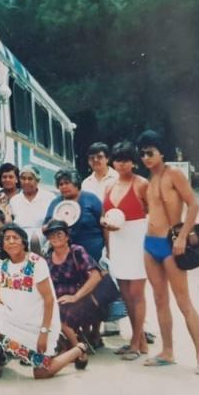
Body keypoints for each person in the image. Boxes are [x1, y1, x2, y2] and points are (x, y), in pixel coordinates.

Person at [137, 130, 199, 374]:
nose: (146, 157)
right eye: (143, 153)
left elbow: (194, 204)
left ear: (162, 152)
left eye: (151, 152)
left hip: (170, 245)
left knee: (183, 302)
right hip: (150, 245)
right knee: (160, 300)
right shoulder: (149, 180)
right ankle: (167, 351)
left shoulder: (174, 174)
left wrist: (181, 236)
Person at [0, 224, 88, 379]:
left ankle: (78, 349)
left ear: (23, 242)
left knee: (41, 373)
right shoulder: (4, 266)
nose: (11, 241)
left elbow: (49, 301)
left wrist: (43, 333)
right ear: (3, 244)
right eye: (7, 238)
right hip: (15, 319)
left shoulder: (36, 263)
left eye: (16, 238)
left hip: (39, 324)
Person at [102, 141, 149, 359]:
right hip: (117, 241)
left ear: (134, 162)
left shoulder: (142, 184)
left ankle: (134, 343)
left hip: (137, 240)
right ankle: (140, 342)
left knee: (137, 294)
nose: (122, 164)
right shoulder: (110, 186)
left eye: (127, 160)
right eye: (118, 160)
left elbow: (152, 213)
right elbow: (105, 215)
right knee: (126, 295)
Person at [43, 220, 101, 365]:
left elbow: (96, 276)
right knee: (43, 312)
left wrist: (75, 297)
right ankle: (63, 347)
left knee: (59, 314)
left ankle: (78, 350)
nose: (55, 237)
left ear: (67, 236)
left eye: (59, 234)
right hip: (57, 299)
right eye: (51, 235)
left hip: (81, 298)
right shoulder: (48, 258)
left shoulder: (76, 251)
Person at [81, 142, 121, 337]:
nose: (96, 160)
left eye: (100, 156)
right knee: (99, 277)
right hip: (94, 235)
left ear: (107, 158)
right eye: (92, 157)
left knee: (119, 276)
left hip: (115, 231)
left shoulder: (117, 178)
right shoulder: (86, 182)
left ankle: (115, 323)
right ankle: (100, 319)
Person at [44, 169, 104, 262]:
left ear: (76, 184)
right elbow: (44, 229)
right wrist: (51, 223)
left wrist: (108, 249)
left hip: (93, 250)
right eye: (60, 184)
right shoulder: (55, 203)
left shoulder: (91, 198)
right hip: (66, 253)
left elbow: (104, 225)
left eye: (67, 183)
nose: (64, 186)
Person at [9, 165, 55, 254]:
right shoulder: (14, 200)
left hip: (45, 239)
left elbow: (55, 219)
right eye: (23, 178)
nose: (26, 182)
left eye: (30, 179)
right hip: (21, 241)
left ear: (37, 180)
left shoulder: (49, 197)